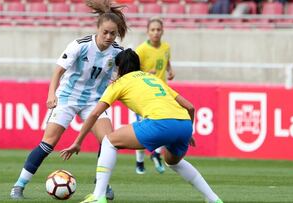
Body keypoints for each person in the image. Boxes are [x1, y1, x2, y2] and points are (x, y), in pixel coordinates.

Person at [60, 48, 224, 203]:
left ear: (119, 68)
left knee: (109, 142)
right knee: (173, 161)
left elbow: (95, 114)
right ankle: (213, 198)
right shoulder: (153, 78)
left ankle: (98, 196)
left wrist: (78, 141)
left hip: (160, 123)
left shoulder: (119, 83)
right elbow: (190, 106)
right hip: (184, 125)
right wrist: (189, 133)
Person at [9, 0, 128, 200]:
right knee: (48, 143)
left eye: (113, 33)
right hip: (68, 97)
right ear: (97, 28)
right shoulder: (79, 46)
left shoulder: (118, 52)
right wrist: (51, 94)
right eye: (105, 32)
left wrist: (118, 79)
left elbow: (122, 75)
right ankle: (18, 186)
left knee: (108, 142)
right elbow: (58, 71)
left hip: (94, 101)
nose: (108, 37)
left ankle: (102, 186)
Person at [134, 17, 175, 175]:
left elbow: (166, 60)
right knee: (142, 130)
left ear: (162, 31)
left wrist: (170, 70)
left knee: (163, 126)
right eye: (153, 30)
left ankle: (156, 154)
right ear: (147, 32)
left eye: (158, 29)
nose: (156, 32)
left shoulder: (166, 47)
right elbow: (132, 71)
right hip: (143, 96)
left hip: (162, 94)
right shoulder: (141, 50)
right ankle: (140, 161)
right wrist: (145, 73)